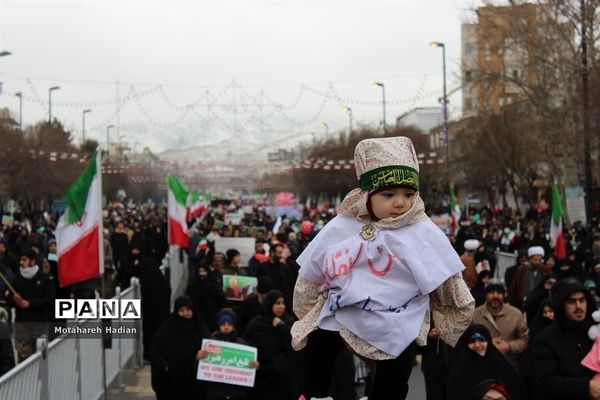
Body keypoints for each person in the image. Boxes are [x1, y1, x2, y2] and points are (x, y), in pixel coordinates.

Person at [291, 136, 474, 400]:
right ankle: (316, 395)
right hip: (345, 307)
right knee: (320, 343)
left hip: (399, 316)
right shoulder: (343, 225)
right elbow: (312, 268)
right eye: (388, 195)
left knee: (398, 368)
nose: (400, 203)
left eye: (408, 194)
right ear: (367, 195)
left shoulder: (422, 230)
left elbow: (446, 276)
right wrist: (306, 307)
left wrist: (451, 313)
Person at [532, 277, 600, 399]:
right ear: (561, 305)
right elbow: (545, 381)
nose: (578, 306)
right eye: (571, 301)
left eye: (582, 300)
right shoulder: (545, 339)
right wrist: (586, 386)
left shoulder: (596, 332)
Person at [150, 295, 210, 400]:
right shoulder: (167, 330)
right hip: (175, 383)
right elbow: (156, 351)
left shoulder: (200, 327)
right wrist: (192, 357)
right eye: (181, 310)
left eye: (188, 309)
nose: (185, 313)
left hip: (195, 384)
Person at [446, 325, 527, 400]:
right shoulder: (459, 373)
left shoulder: (503, 369)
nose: (477, 345)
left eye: (481, 340)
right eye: (472, 341)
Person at [242, 289, 297, 400]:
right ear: (269, 304)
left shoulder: (288, 322)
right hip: (260, 375)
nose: (282, 306)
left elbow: (294, 343)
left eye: (283, 303)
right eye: (277, 303)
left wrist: (281, 327)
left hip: (281, 380)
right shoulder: (257, 324)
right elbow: (246, 344)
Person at [197, 308, 259, 400]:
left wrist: (255, 366)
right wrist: (198, 358)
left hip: (236, 394)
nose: (226, 327)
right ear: (218, 325)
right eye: (223, 324)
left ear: (234, 325)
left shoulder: (242, 346)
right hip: (215, 393)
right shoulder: (210, 344)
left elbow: (248, 371)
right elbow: (202, 370)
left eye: (229, 324)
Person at [11, 248, 56, 362]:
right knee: (24, 359)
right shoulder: (16, 279)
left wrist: (30, 304)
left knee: (42, 358)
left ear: (33, 261)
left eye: (24, 260)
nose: (21, 263)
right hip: (22, 325)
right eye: (20, 260)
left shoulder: (45, 277)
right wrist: (14, 299)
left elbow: (50, 299)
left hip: (40, 324)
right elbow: (10, 301)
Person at [472, 280, 528, 368]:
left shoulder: (515, 314)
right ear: (485, 295)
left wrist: (509, 347)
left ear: (504, 295)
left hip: (509, 365)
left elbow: (524, 339)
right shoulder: (475, 315)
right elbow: (468, 340)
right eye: (491, 292)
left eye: (499, 292)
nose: (495, 296)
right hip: (482, 365)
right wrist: (487, 344)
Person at [140, 257, 171, 361]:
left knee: (150, 333)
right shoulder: (162, 280)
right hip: (162, 315)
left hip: (150, 315)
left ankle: (150, 354)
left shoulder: (147, 282)